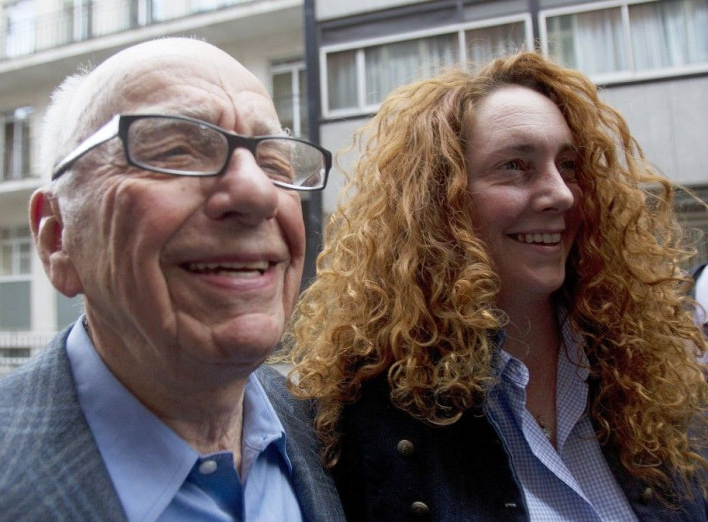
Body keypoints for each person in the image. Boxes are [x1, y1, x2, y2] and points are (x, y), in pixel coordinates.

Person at [285, 51, 708, 521]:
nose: (562, 193)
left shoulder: (647, 380)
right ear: (438, 204)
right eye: (515, 165)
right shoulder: (363, 417)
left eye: (568, 165)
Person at [0, 38, 345, 521]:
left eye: (273, 162)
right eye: (176, 152)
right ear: (58, 238)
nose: (258, 192)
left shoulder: (335, 437)